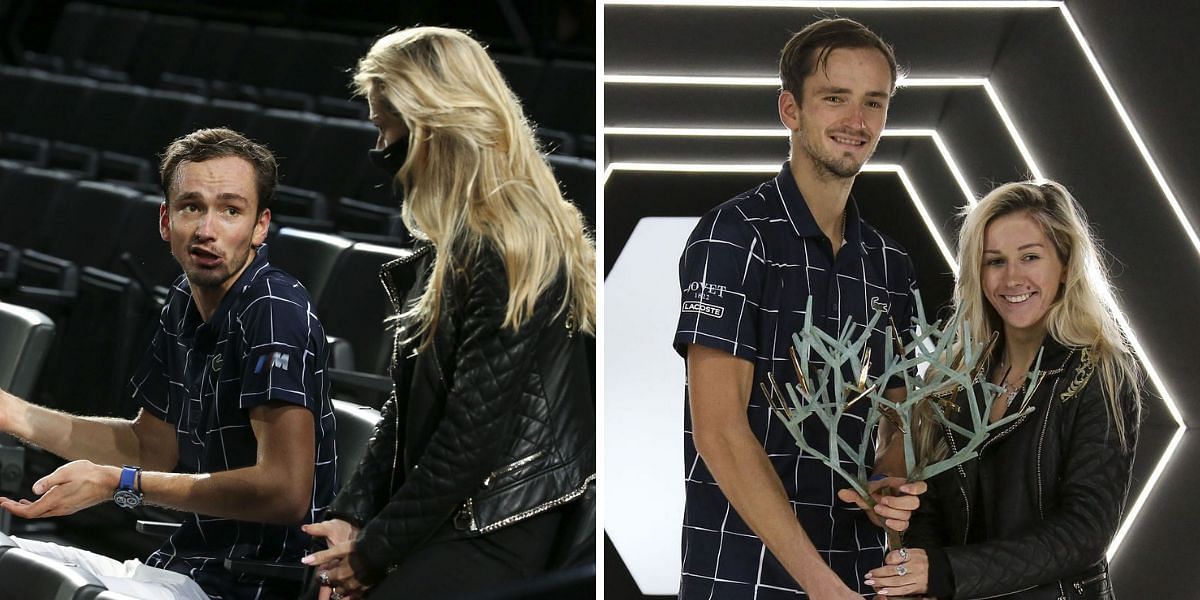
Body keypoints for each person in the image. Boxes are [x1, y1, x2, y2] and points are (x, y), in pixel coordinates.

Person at [301, 26, 596, 599]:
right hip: (451, 503)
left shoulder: (510, 244)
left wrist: (373, 553)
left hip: (501, 518)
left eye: (385, 128)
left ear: (429, 128)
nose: (379, 150)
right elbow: (406, 404)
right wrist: (354, 516)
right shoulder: (456, 241)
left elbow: (469, 439)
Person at [0, 127, 338, 600]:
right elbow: (149, 448)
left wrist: (121, 484)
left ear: (261, 226)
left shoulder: (273, 310)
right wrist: (11, 414)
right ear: (166, 220)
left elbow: (284, 491)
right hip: (187, 567)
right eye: (192, 207)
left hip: (253, 584)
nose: (206, 230)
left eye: (230, 211)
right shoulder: (183, 300)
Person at [673, 17, 926, 600]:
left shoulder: (890, 262)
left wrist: (892, 483)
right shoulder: (733, 237)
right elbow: (718, 430)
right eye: (835, 99)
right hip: (745, 577)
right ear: (791, 110)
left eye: (874, 103)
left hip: (862, 573)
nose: (857, 122)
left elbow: (895, 413)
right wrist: (822, 586)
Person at [866, 181, 1142, 599]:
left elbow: (1085, 531)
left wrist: (946, 571)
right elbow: (930, 506)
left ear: (1065, 264)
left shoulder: (1099, 372)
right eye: (995, 261)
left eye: (1030, 257)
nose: (1012, 278)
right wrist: (912, 565)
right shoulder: (954, 377)